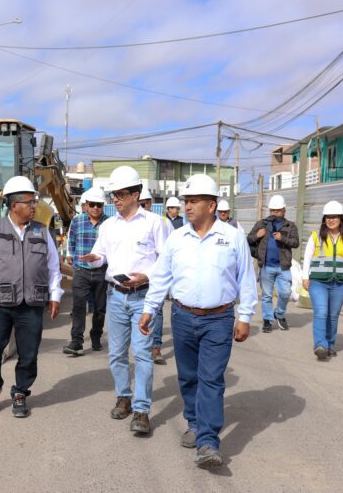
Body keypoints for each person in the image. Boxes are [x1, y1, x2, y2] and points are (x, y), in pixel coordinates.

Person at [138, 174, 257, 468]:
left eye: (193, 201)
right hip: (182, 316)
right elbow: (161, 276)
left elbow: (246, 277)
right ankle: (193, 421)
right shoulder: (177, 238)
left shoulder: (232, 236)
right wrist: (149, 308)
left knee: (211, 379)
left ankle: (208, 441)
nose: (187, 207)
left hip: (219, 318)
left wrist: (245, 316)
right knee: (188, 377)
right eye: (186, 201)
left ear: (211, 205)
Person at [79, 166, 167, 435]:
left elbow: (166, 260)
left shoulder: (154, 223)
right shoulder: (109, 225)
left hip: (143, 297)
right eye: (113, 195)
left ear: (135, 195)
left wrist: (146, 275)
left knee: (141, 354)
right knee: (116, 353)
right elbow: (101, 254)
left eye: (120, 194)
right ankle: (124, 397)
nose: (115, 200)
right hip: (116, 296)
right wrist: (94, 259)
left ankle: (141, 410)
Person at [0, 176, 63, 418]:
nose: (34, 206)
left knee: (29, 353)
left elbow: (53, 267)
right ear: (14, 205)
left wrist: (55, 295)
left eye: (34, 201)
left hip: (31, 304)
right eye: (30, 202)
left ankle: (21, 391)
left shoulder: (42, 231)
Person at [302, 200, 343, 361]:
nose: (331, 220)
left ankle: (330, 345)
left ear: (341, 218)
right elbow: (307, 257)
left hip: (340, 283)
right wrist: (305, 277)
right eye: (328, 217)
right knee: (321, 312)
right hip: (318, 282)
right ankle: (320, 345)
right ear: (324, 219)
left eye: (334, 216)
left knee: (333, 316)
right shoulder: (316, 236)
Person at [64, 187, 109, 355]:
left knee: (100, 308)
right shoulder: (77, 221)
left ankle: (96, 336)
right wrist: (70, 254)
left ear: (103, 205)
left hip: (101, 271)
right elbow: (71, 239)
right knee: (78, 306)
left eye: (99, 205)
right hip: (81, 270)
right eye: (92, 204)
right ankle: (76, 341)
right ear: (87, 204)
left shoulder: (110, 223)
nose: (95, 208)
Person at [247, 194, 300, 333]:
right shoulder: (262, 224)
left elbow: (296, 243)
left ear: (284, 210)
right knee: (266, 296)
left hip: (283, 266)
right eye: (273, 210)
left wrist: (283, 238)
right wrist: (257, 235)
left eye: (278, 210)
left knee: (286, 293)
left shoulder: (290, 226)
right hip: (266, 266)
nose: (275, 213)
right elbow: (248, 239)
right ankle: (267, 320)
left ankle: (279, 314)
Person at [138, 188, 168, 365]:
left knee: (157, 312)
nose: (143, 206)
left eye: (145, 203)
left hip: (156, 278)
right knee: (141, 312)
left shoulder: (161, 221)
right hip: (137, 280)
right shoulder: (133, 224)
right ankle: (143, 345)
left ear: (150, 203)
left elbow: (167, 251)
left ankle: (156, 347)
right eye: (140, 204)